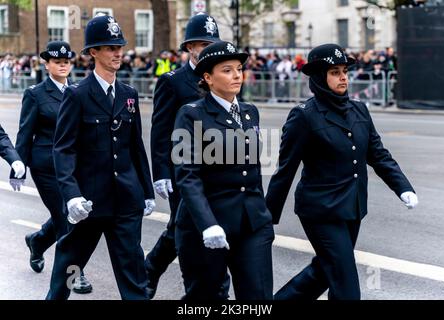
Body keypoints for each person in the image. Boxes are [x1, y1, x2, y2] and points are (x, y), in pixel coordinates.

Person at [265, 43, 418, 300]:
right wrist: (267, 218)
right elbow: (286, 169)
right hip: (321, 211)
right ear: (319, 77)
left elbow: (378, 154)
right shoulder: (304, 116)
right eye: (335, 72)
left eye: (344, 70)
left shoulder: (359, 110)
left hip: (352, 207)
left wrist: (403, 187)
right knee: (346, 283)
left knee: (326, 271)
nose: (343, 76)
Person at [46, 14, 155, 300]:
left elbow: (135, 147)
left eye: (119, 46)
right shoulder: (77, 94)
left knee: (134, 280)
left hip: (125, 203)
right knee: (67, 274)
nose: (118, 52)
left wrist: (146, 190)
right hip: (89, 204)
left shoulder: (129, 94)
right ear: (93, 52)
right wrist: (71, 195)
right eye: (109, 47)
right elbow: (63, 148)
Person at [173, 41, 274, 300]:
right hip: (208, 224)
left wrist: (263, 215)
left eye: (239, 69)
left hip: (251, 223)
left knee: (258, 297)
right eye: (227, 70)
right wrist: (207, 225)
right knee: (205, 299)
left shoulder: (250, 112)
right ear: (207, 77)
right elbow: (187, 175)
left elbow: (252, 169)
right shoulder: (191, 114)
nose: (237, 75)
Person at [146, 12, 229, 299]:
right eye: (202, 44)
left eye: (212, 43)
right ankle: (211, 289)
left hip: (217, 168)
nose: (208, 49)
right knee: (186, 227)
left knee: (184, 227)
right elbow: (160, 130)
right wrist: (161, 172)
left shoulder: (222, 74)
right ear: (190, 47)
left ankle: (150, 269)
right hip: (184, 170)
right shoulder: (173, 81)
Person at [9, 41, 93, 294]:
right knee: (68, 219)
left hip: (73, 165)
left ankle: (37, 241)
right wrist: (18, 166)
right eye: (57, 62)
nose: (63, 65)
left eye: (67, 61)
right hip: (46, 166)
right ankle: (75, 273)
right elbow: (26, 132)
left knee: (70, 213)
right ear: (47, 64)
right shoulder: (36, 94)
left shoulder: (77, 91)